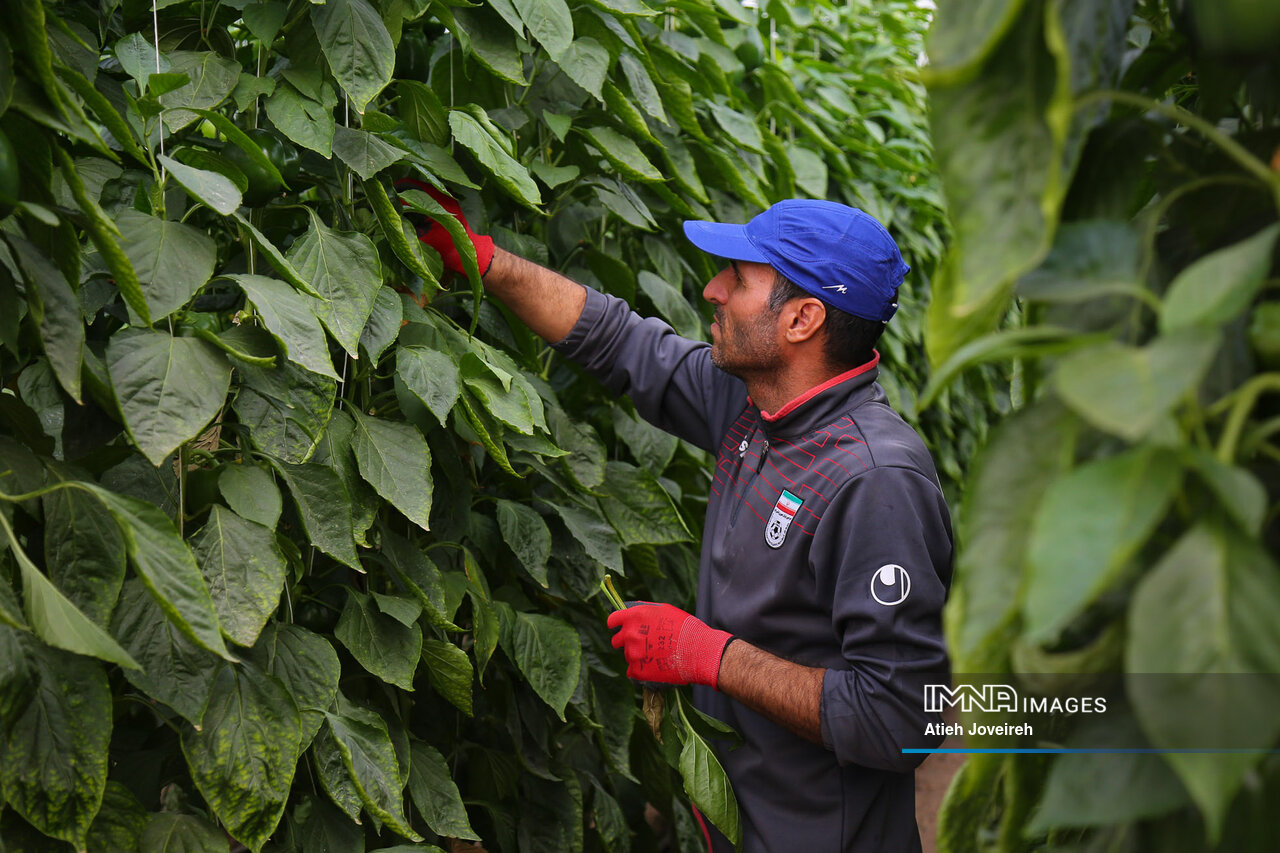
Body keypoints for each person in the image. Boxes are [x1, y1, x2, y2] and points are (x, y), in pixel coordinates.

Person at [401, 182, 953, 852]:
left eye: (739, 278)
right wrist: (483, 258)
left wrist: (708, 654)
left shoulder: (874, 481)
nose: (713, 290)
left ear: (802, 319)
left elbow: (901, 718)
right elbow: (623, 343)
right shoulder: (756, 406)